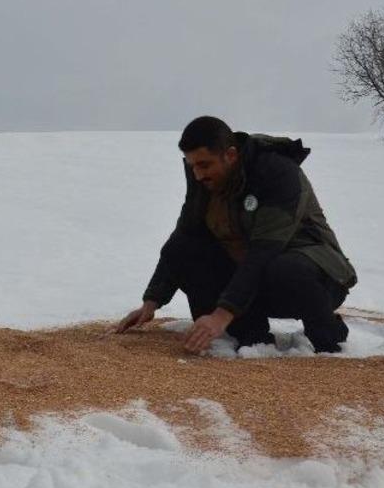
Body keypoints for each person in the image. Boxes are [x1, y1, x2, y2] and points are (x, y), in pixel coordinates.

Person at [115, 116, 357, 353]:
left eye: (204, 165)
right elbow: (184, 238)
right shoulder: (204, 180)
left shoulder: (278, 172)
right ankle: (251, 337)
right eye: (192, 166)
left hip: (315, 278)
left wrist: (221, 314)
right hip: (253, 276)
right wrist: (151, 302)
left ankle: (329, 336)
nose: (198, 175)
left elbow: (263, 251)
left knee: (284, 268)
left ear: (230, 155)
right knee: (183, 248)